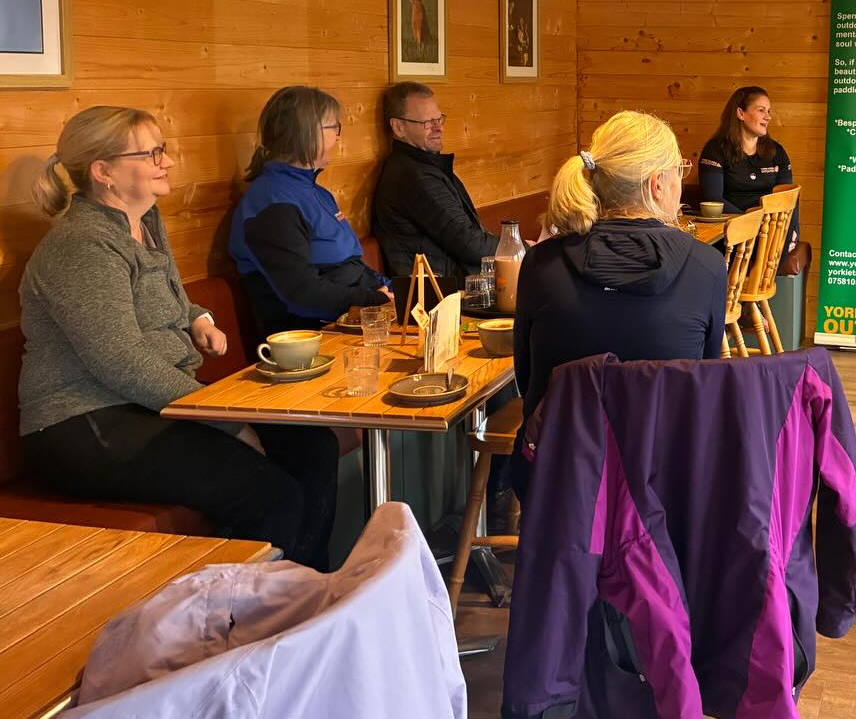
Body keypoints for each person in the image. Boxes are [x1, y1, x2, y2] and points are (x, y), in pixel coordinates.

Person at [19, 107, 338, 569]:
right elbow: (120, 360)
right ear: (103, 171)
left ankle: (307, 596)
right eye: (151, 154)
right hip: (84, 424)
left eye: (162, 149)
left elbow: (161, 299)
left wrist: (199, 317)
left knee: (313, 446)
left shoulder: (145, 222)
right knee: (270, 493)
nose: (166, 161)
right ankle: (255, 624)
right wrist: (228, 420)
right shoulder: (81, 245)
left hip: (148, 407)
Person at [512, 112, 727, 477]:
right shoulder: (707, 267)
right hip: (666, 482)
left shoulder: (540, 265)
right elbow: (702, 382)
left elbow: (527, 377)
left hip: (559, 481)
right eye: (680, 169)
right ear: (658, 183)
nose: (681, 179)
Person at [230, 86, 391, 338]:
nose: (338, 137)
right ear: (306, 134)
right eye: (333, 127)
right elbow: (303, 295)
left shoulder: (317, 192)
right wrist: (373, 299)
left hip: (353, 319)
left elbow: (353, 266)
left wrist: (391, 290)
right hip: (309, 337)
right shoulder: (271, 203)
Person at [372, 82, 498, 293]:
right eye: (428, 122)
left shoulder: (426, 167)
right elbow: (469, 244)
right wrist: (519, 247)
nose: (439, 127)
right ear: (398, 127)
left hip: (460, 287)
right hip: (438, 298)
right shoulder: (411, 178)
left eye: (439, 119)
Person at [698, 86, 799, 249]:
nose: (768, 117)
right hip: (733, 227)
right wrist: (751, 222)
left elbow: (787, 198)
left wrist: (778, 228)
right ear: (740, 113)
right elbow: (714, 200)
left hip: (770, 229)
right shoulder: (715, 150)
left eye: (769, 111)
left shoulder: (777, 152)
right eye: (761, 110)